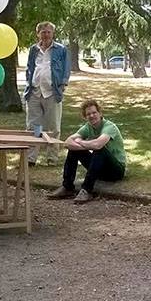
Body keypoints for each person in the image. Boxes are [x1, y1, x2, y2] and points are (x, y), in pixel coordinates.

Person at [48, 99, 125, 204]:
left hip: (115, 171)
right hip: (99, 169)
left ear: (100, 113)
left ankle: (87, 190)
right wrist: (87, 146)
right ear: (85, 116)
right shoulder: (88, 127)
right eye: (88, 114)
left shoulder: (109, 126)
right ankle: (67, 187)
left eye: (94, 112)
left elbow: (98, 145)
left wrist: (81, 142)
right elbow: (67, 142)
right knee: (73, 150)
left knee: (100, 149)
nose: (92, 116)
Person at [24, 21, 70, 166]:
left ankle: (52, 158)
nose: (46, 34)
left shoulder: (61, 49)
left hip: (52, 92)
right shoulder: (33, 49)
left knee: (53, 127)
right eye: (43, 32)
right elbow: (29, 68)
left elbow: (66, 69)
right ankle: (31, 158)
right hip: (34, 92)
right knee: (33, 126)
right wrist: (28, 83)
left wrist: (63, 84)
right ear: (38, 34)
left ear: (53, 33)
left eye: (49, 31)